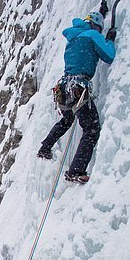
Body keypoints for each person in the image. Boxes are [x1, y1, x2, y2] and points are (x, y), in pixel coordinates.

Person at [37, 11, 117, 184]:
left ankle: (45, 147)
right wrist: (109, 39)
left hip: (64, 88)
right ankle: (76, 171)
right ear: (96, 26)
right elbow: (109, 56)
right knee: (91, 129)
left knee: (67, 120)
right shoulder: (92, 35)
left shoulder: (74, 37)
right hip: (78, 87)